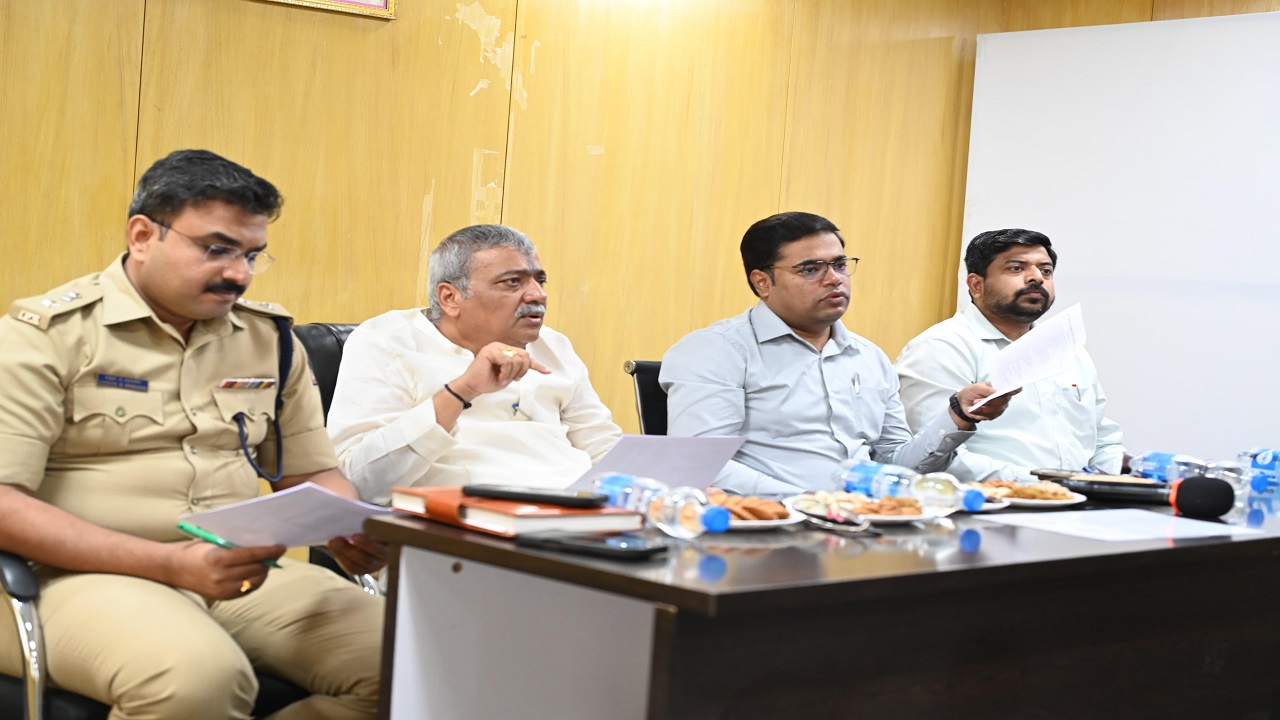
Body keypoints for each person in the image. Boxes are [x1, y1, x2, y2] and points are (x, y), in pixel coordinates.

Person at [0, 149, 385, 720]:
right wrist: (170, 565)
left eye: (251, 254)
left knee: (410, 656)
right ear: (142, 236)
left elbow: (312, 473)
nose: (239, 274)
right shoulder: (46, 336)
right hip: (67, 577)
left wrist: (344, 527)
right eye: (216, 249)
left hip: (235, 570)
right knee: (197, 680)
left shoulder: (269, 340)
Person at [660, 211, 1014, 495]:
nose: (834, 279)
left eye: (840, 265)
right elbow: (701, 464)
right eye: (810, 269)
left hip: (862, 525)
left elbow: (897, 465)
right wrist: (812, 502)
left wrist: (958, 415)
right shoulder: (716, 351)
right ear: (762, 282)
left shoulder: (869, 357)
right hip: (771, 529)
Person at [327, 224, 622, 505]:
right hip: (465, 520)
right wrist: (463, 390)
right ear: (450, 297)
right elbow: (359, 481)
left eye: (539, 281)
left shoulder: (554, 345)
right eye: (513, 282)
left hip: (578, 511)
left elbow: (602, 446)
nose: (538, 295)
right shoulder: (387, 342)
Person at [895, 228, 1124, 482]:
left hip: (1076, 500)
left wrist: (1113, 484)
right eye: (1016, 268)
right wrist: (1045, 486)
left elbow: (1104, 442)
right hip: (985, 501)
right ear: (977, 285)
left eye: (1046, 270)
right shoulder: (942, 347)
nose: (1036, 278)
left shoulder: (1069, 351)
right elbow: (928, 457)